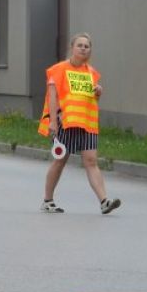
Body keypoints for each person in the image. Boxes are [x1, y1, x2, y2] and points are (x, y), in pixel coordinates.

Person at [39, 33, 121, 214]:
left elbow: (90, 97)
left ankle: (104, 201)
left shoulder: (91, 73)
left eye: (87, 46)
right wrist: (52, 121)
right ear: (72, 48)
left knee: (91, 161)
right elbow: (52, 97)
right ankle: (48, 200)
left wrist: (98, 91)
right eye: (80, 45)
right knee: (60, 161)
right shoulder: (59, 70)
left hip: (87, 122)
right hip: (66, 122)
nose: (83, 48)